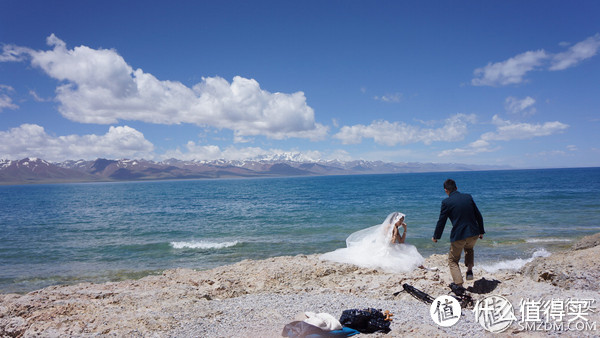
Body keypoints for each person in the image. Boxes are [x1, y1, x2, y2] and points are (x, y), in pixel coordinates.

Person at [320, 212, 424, 273]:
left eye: (402, 220)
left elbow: (401, 242)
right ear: (395, 220)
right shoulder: (390, 227)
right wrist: (395, 232)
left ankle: (421, 266)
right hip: (385, 248)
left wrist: (405, 230)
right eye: (400, 220)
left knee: (408, 248)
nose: (402, 222)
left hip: (391, 246)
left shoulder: (396, 227)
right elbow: (391, 242)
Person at [432, 179, 485, 286]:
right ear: (456, 188)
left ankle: (459, 284)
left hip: (459, 235)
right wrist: (481, 231)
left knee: (453, 260)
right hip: (474, 232)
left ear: (446, 190)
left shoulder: (446, 202)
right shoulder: (468, 197)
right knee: (469, 249)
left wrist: (436, 236)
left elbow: (441, 221)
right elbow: (478, 215)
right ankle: (469, 270)